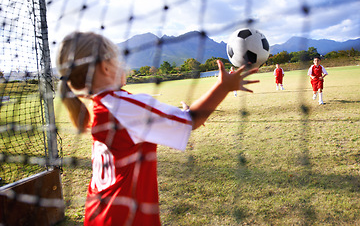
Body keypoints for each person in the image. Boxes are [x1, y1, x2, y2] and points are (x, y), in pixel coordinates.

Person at [56, 31, 259, 226]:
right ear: (105, 67)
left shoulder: (102, 106)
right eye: (118, 58)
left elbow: (143, 130)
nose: (123, 64)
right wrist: (223, 85)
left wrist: (179, 118)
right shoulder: (123, 106)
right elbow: (191, 121)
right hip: (125, 218)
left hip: (99, 214)